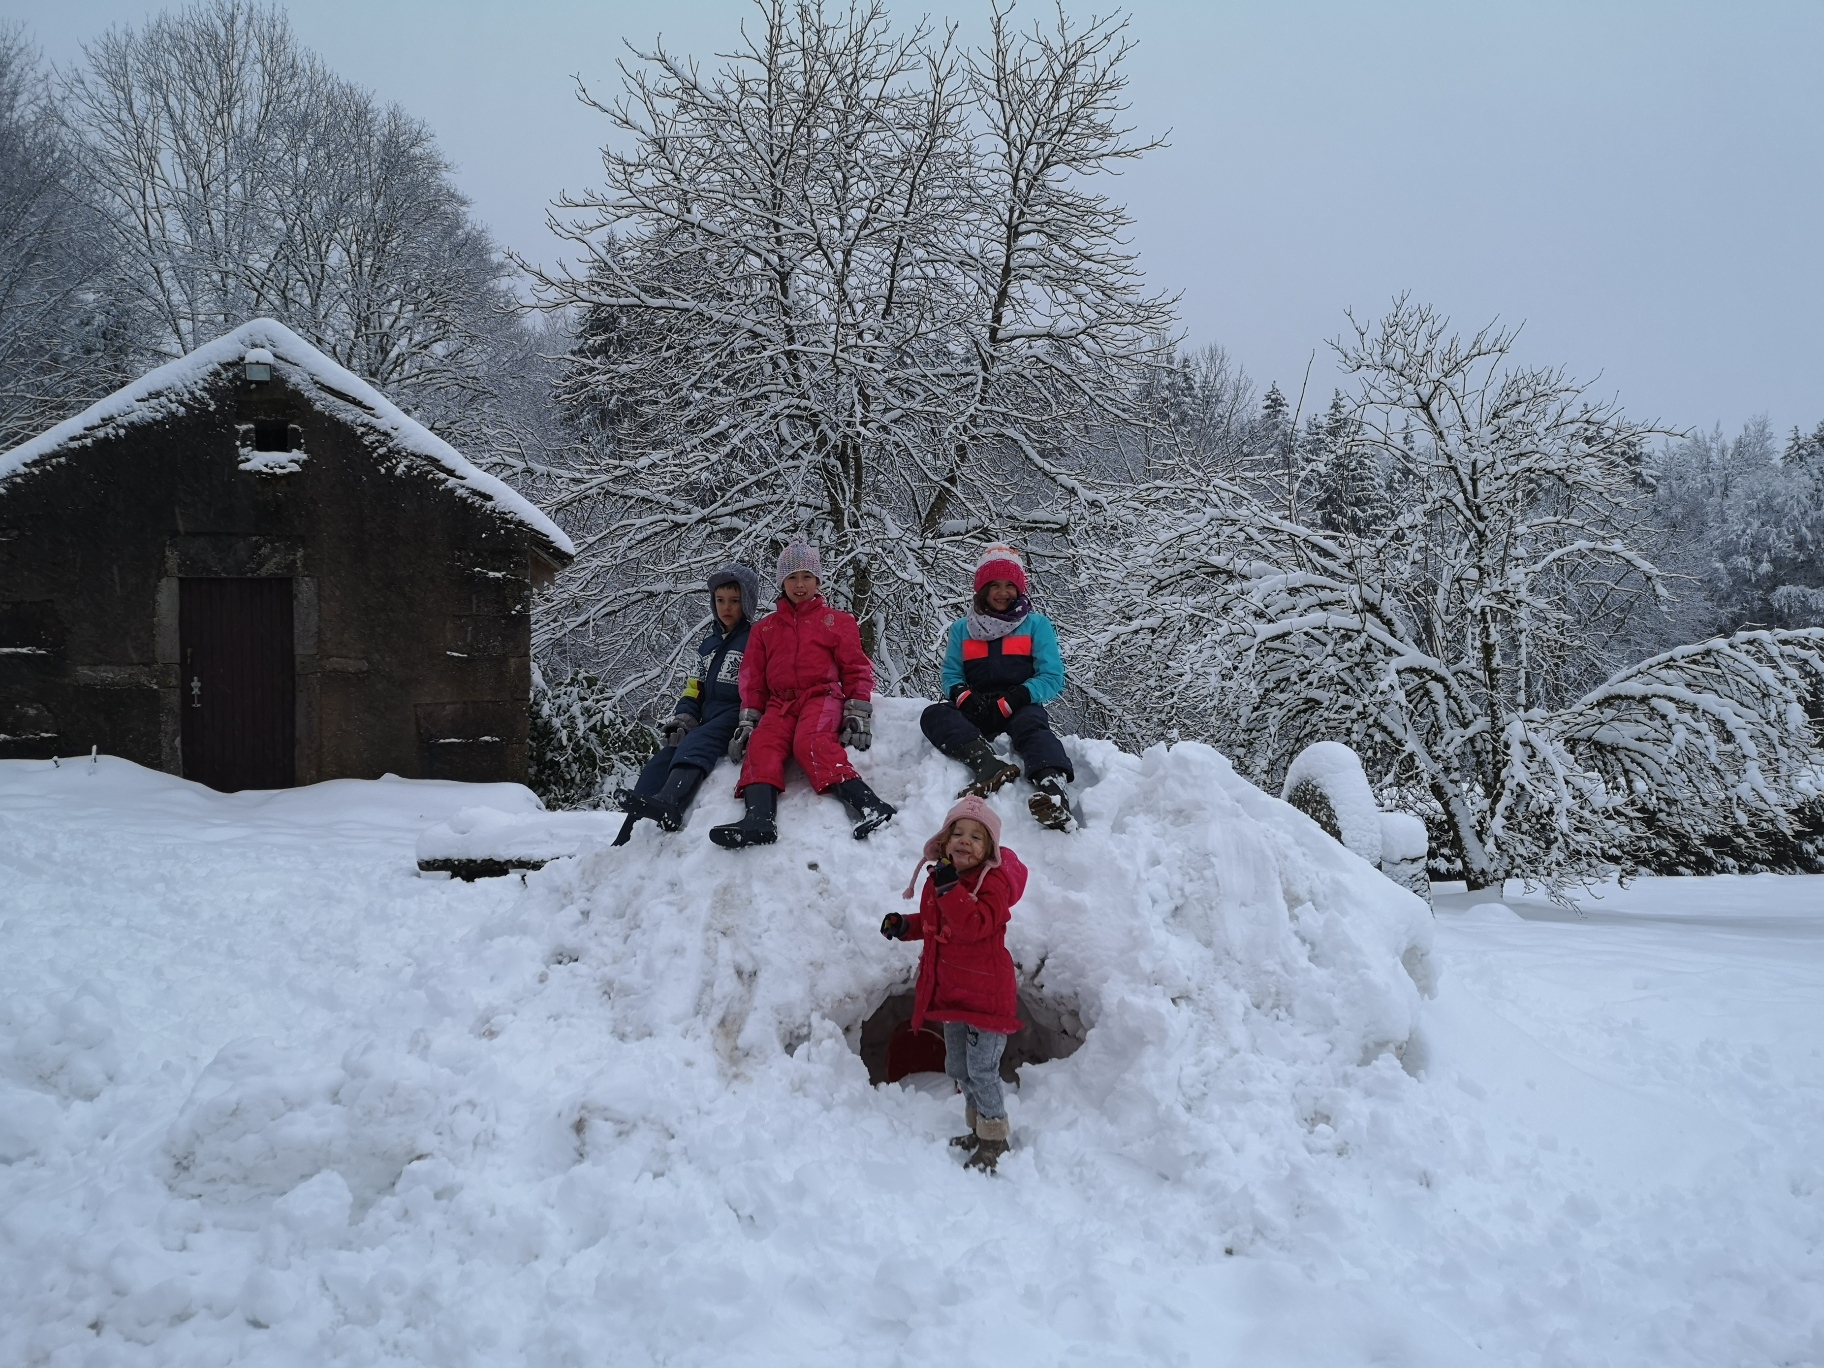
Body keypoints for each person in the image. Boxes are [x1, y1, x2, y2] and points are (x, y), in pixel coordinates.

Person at [710, 542, 896, 848]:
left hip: (821, 696)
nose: (800, 584)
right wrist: (749, 719)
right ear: (782, 582)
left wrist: (858, 711)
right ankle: (759, 819)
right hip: (779, 703)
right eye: (792, 577)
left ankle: (871, 806)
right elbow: (753, 678)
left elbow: (856, 668)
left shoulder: (836, 621)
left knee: (810, 742)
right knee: (762, 744)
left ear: (817, 580)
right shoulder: (765, 629)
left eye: (807, 576)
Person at [880, 794, 1028, 1173]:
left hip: (986, 999)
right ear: (944, 842)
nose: (965, 841)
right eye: (957, 833)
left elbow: (972, 925)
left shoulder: (993, 885)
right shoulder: (941, 880)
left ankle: (995, 1139)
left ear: (989, 850)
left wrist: (950, 889)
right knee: (959, 1068)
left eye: (976, 837)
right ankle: (977, 1129)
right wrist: (905, 926)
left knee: (981, 1071)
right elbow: (937, 924)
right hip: (952, 994)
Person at [920, 543, 1075, 830]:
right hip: (977, 705)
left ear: (1019, 589)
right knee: (935, 715)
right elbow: (951, 675)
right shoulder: (962, 629)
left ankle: (1053, 789)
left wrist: (1018, 697)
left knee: (1033, 729)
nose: (1003, 592)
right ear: (983, 589)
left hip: (1020, 704)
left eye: (1010, 585)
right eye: (995, 585)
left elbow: (1052, 676)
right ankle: (987, 764)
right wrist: (962, 696)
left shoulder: (1036, 625)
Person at [612, 565, 760, 844]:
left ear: (748, 603)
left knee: (699, 741)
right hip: (707, 715)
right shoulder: (708, 645)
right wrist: (685, 717)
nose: (726, 607)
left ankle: (671, 801)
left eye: (735, 601)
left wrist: (750, 718)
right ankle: (629, 830)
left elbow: (760, 683)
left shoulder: (754, 640)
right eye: (720, 600)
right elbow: (695, 686)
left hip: (735, 712)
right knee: (665, 755)